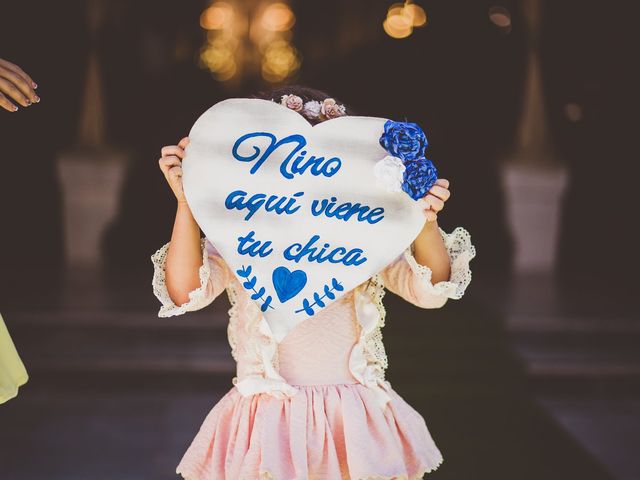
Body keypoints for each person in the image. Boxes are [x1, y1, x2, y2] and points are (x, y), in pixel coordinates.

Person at [151, 86, 476, 479]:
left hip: (352, 420)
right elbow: (185, 292)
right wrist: (188, 203)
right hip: (267, 421)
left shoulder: (364, 233)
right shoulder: (241, 236)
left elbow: (431, 291)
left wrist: (424, 219)